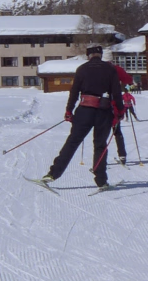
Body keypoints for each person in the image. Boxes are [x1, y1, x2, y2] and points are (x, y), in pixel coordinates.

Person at [37, 44, 126, 191]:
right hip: (104, 112)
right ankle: (101, 181)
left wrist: (69, 110)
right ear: (101, 55)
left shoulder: (82, 69)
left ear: (88, 55)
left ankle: (52, 174)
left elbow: (74, 92)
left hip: (84, 110)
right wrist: (121, 111)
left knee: (72, 142)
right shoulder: (110, 69)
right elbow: (116, 92)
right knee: (100, 145)